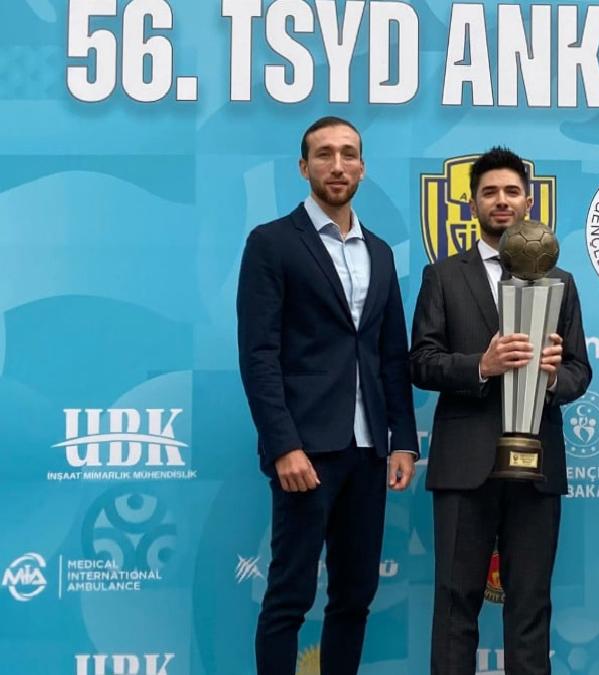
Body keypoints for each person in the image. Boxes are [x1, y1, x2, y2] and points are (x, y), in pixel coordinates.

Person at [237, 116, 419, 674]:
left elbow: (391, 355)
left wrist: (403, 441)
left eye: (348, 154)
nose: (337, 165)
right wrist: (284, 445)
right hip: (306, 451)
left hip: (368, 450)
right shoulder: (271, 243)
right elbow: (258, 355)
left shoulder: (380, 252)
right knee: (289, 595)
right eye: (324, 155)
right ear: (304, 167)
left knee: (355, 596)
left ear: (362, 167)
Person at [410, 146, 592, 675]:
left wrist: (553, 377)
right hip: (464, 464)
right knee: (455, 603)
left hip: (537, 465)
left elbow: (580, 371)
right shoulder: (443, 276)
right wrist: (481, 365)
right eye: (489, 192)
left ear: (529, 202)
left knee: (531, 606)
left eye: (512, 191)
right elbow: (421, 362)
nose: (501, 201)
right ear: (473, 205)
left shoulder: (561, 281)